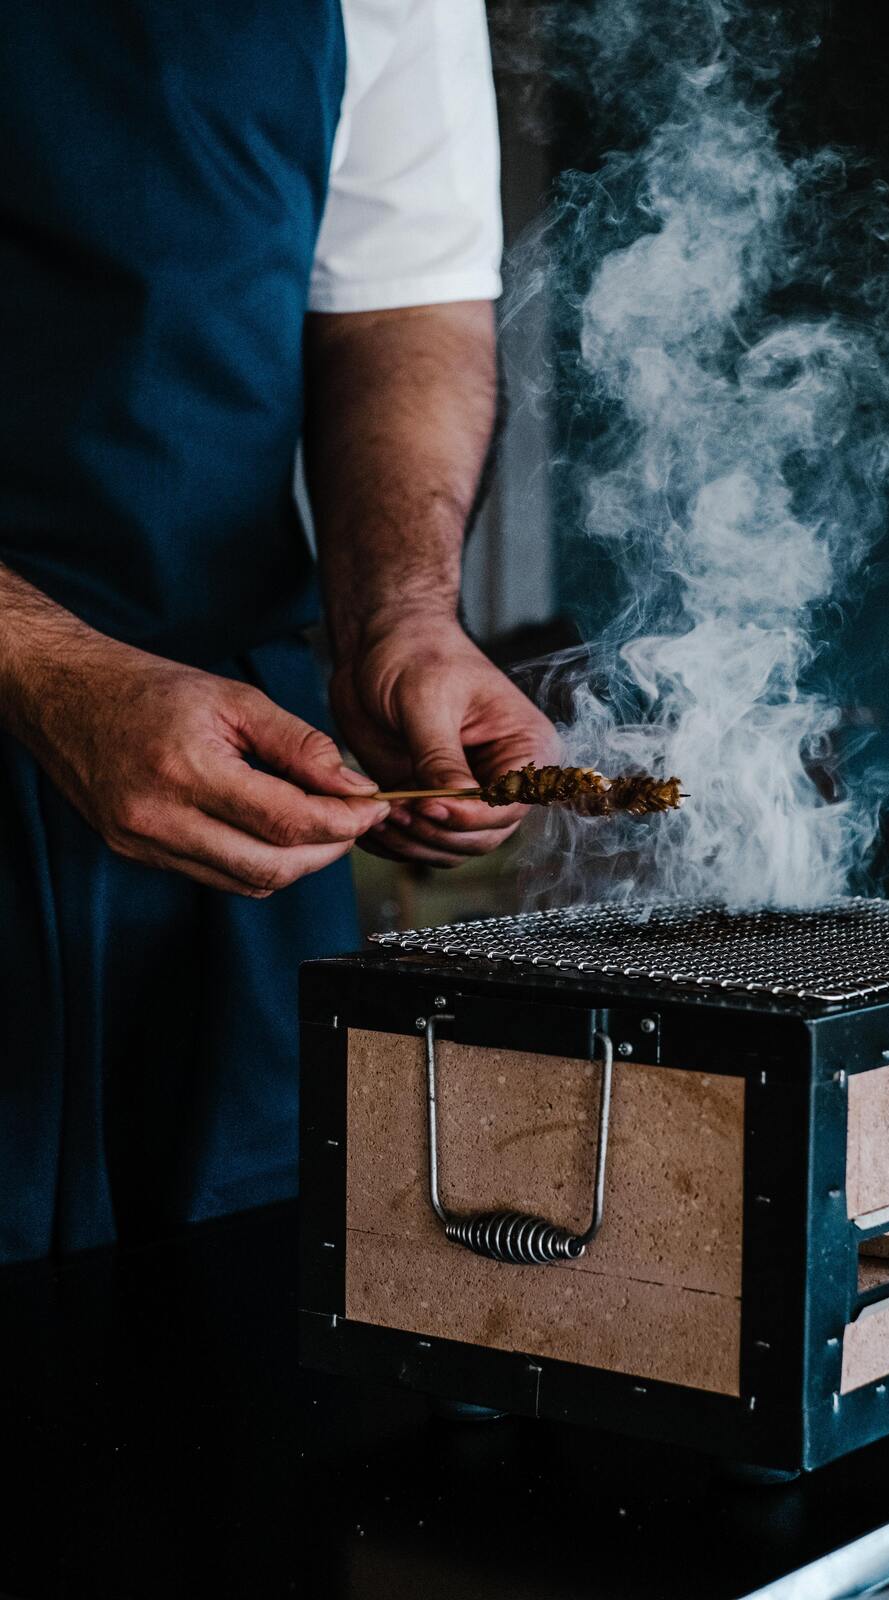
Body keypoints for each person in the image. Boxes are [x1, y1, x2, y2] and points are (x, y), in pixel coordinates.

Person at [0, 0, 554, 1263]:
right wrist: (38, 660)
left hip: (239, 782)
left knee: (242, 1325)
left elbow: (401, 305)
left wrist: (399, 615)